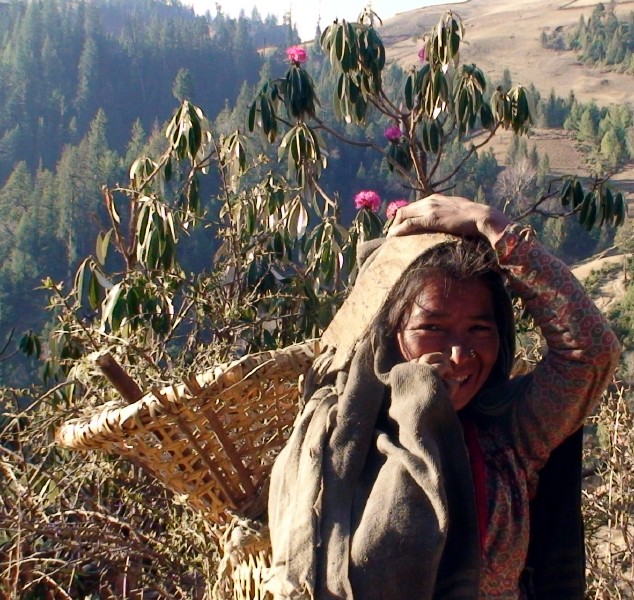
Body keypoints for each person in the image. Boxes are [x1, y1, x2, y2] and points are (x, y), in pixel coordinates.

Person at [266, 195, 620, 599]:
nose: (458, 355)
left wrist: (494, 227)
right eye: (431, 328)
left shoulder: (508, 435)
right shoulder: (334, 444)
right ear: (389, 334)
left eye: (479, 330)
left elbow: (591, 352)